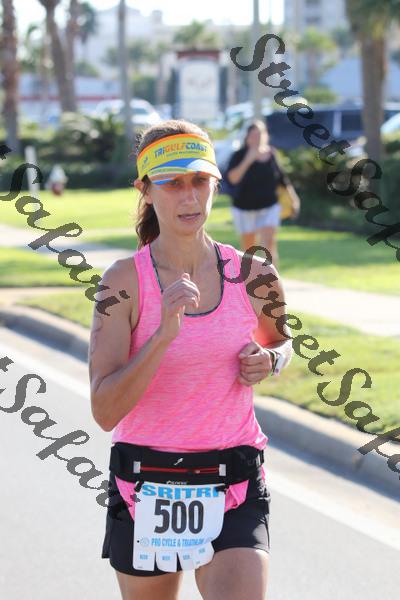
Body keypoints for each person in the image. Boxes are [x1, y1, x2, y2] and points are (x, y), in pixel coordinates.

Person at [89, 119, 293, 600]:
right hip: (147, 484)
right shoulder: (122, 282)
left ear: (215, 184)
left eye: (200, 180)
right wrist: (162, 336)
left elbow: (283, 343)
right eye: (172, 183)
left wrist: (271, 360)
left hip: (233, 478)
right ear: (145, 190)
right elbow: (104, 410)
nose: (189, 196)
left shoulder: (255, 274)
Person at [226, 119, 300, 267]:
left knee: (269, 244)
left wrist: (294, 199)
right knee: (249, 249)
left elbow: (282, 179)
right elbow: (232, 179)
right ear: (247, 137)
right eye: (253, 135)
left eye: (260, 134)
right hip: (244, 208)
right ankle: (249, 278)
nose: (257, 138)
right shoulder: (239, 155)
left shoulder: (271, 154)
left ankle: (272, 278)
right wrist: (248, 159)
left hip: (269, 206)